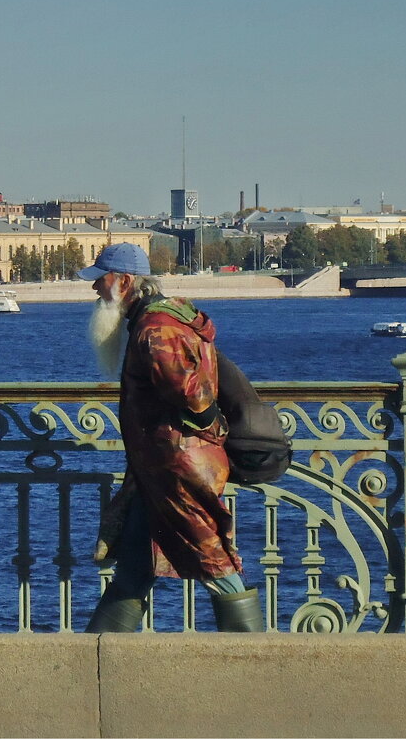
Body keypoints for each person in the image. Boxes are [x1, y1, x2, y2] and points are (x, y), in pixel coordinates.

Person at [79, 242, 263, 632]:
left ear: (124, 281)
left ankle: (253, 654)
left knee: (213, 560)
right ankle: (95, 657)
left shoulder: (156, 327)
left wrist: (203, 433)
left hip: (176, 469)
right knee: (134, 564)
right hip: (159, 470)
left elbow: (192, 394)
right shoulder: (158, 319)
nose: (95, 289)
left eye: (101, 280)